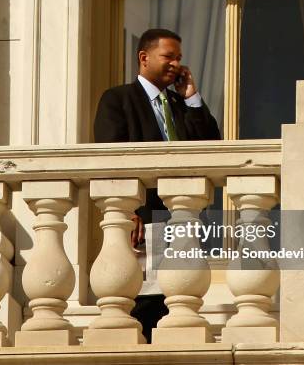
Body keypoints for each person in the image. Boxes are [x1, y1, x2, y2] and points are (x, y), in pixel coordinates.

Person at [93, 28, 221, 342]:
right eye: (168, 56)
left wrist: (191, 96)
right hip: (144, 219)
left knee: (177, 308)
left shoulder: (180, 105)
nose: (175, 64)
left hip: (183, 218)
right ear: (144, 57)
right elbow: (111, 158)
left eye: (178, 58)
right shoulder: (118, 99)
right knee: (144, 305)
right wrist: (130, 211)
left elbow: (211, 146)